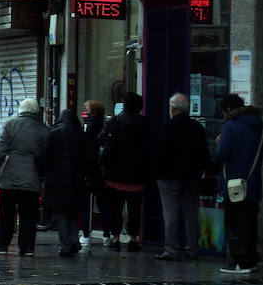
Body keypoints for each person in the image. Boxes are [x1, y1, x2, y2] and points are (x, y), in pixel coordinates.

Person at [0, 98, 48, 256]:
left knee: (6, 215)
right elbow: (46, 156)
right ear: (36, 111)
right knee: (28, 216)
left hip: (9, 178)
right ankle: (27, 247)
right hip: (32, 179)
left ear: (20, 110)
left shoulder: (10, 125)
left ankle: (2, 246)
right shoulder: (43, 129)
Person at [156, 93, 210, 261]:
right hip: (192, 176)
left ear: (172, 109)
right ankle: (192, 248)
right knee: (191, 213)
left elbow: (160, 153)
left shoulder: (168, 127)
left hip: (169, 176)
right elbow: (204, 153)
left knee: (171, 213)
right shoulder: (197, 127)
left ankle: (171, 249)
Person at [215, 93, 263, 274]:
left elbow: (222, 154)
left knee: (235, 223)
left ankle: (241, 261)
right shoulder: (259, 127)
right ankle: (250, 259)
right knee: (250, 222)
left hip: (234, 184)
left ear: (228, 110)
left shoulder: (231, 126)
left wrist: (218, 143)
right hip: (252, 182)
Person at [98, 92, 151, 252]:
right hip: (138, 173)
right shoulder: (145, 123)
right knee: (135, 208)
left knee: (115, 207)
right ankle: (134, 239)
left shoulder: (115, 121)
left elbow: (102, 140)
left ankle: (116, 238)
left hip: (115, 173)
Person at [39, 108, 92, 257]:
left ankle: (66, 245)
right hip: (77, 180)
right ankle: (74, 240)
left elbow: (43, 156)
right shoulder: (81, 135)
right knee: (73, 212)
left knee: (62, 213)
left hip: (57, 181)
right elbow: (89, 158)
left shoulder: (53, 134)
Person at [79, 100, 106, 248]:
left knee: (87, 204)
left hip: (90, 169)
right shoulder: (104, 125)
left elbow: (87, 148)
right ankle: (107, 235)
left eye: (87, 109)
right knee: (103, 203)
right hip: (102, 170)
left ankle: (86, 235)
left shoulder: (89, 127)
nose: (85, 112)